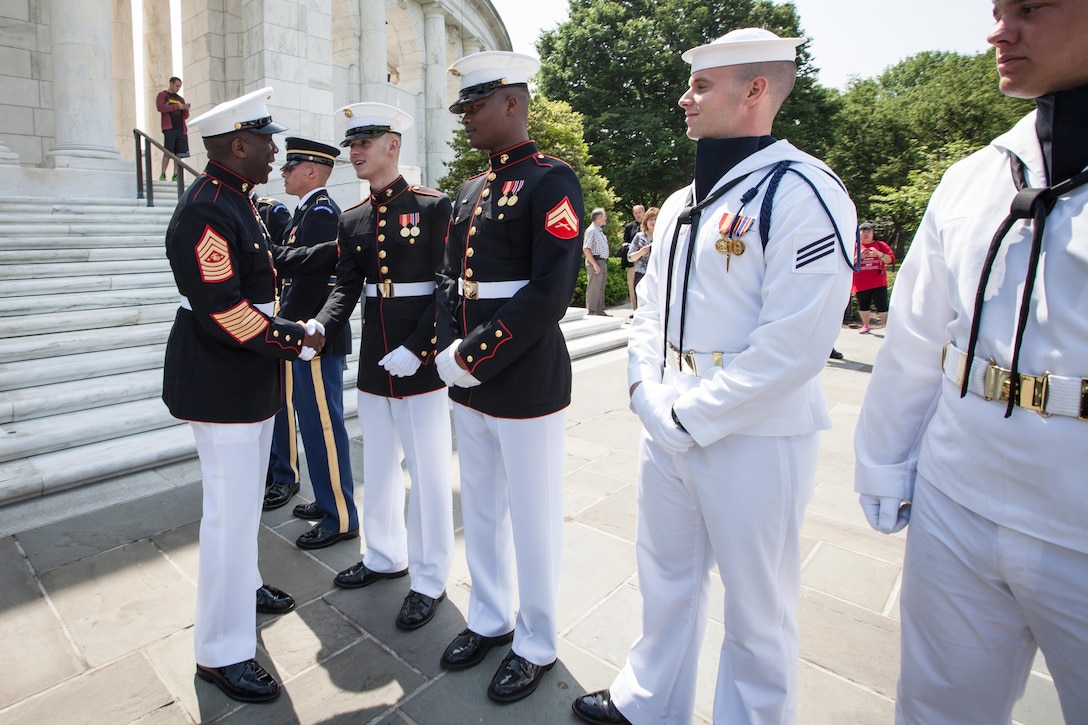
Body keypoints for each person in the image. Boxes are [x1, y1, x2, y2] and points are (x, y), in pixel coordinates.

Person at [572, 28, 856, 725]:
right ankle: (649, 699)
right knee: (665, 578)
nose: (684, 97)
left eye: (702, 85)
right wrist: (645, 391)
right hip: (667, 419)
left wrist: (690, 413)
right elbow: (650, 311)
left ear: (756, 90)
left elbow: (794, 345)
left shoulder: (804, 189)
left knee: (759, 609)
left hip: (753, 433)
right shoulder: (678, 202)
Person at [855, 1, 1088, 722]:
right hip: (958, 497)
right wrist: (883, 460)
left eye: (1031, 7)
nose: (999, 31)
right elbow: (919, 339)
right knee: (935, 704)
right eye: (996, 10)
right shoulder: (974, 177)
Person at [162, 87, 325, 703]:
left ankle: (244, 583)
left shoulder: (236, 200)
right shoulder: (206, 208)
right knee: (228, 514)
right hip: (221, 376)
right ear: (237, 144)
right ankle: (221, 650)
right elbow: (222, 309)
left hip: (246, 375)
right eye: (266, 140)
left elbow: (265, 271)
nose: (275, 151)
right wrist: (292, 339)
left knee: (244, 503)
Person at [436, 51, 584, 704]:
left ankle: (536, 640)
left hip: (522, 375)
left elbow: (550, 292)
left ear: (514, 105)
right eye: (462, 107)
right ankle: (490, 616)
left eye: (476, 105)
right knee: (484, 509)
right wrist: (447, 349)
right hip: (470, 380)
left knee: (532, 515)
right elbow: (449, 281)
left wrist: (472, 351)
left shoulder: (553, 181)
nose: (466, 117)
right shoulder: (470, 189)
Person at [315, 102, 454, 630]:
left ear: (392, 147)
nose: (354, 152)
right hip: (376, 355)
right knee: (379, 464)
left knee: (428, 470)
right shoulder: (351, 218)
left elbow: (446, 287)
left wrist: (422, 347)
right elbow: (345, 287)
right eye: (352, 144)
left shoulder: (432, 206)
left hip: (418, 361)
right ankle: (384, 555)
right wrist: (320, 328)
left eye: (364, 144)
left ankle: (430, 577)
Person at [267, 136, 359, 550]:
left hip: (316, 338)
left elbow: (322, 279)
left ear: (311, 171)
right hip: (300, 336)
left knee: (324, 426)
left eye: (290, 167)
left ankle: (340, 515)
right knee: (311, 423)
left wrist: (304, 330)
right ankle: (326, 501)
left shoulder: (322, 214)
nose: (282, 173)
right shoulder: (305, 212)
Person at [851, 221, 894, 333]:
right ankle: (866, 325)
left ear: (872, 233)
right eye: (863, 231)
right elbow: (847, 262)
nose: (866, 234)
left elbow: (890, 260)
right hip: (860, 282)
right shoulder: (854, 246)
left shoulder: (880, 245)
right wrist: (859, 257)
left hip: (878, 282)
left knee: (882, 305)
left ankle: (889, 328)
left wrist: (878, 253)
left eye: (868, 231)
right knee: (863, 305)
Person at [156, 76, 190, 181]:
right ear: (171, 83)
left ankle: (175, 174)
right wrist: (177, 107)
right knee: (168, 151)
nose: (178, 88)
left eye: (179, 86)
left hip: (181, 128)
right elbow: (160, 108)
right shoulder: (163, 95)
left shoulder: (180, 99)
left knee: (179, 153)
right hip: (170, 128)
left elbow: (185, 116)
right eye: (176, 86)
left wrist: (185, 109)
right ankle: (163, 173)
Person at [582, 208, 610, 315]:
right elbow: (586, 248)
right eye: (604, 216)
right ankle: (592, 311)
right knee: (594, 287)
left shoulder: (599, 231)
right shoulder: (592, 230)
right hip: (596, 261)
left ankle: (600, 310)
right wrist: (594, 264)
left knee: (600, 287)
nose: (605, 218)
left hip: (602, 261)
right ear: (598, 218)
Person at [626, 205, 657, 291]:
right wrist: (641, 252)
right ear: (646, 221)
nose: (653, 222)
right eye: (651, 219)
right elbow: (630, 257)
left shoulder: (663, 236)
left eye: (656, 219)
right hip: (642, 273)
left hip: (659, 274)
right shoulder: (640, 236)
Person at [621, 205, 646, 309]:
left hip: (646, 259)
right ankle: (635, 309)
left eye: (640, 212)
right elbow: (624, 242)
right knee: (632, 285)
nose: (638, 215)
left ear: (644, 212)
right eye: (635, 213)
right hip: (634, 259)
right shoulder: (629, 227)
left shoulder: (651, 224)